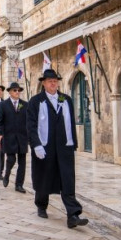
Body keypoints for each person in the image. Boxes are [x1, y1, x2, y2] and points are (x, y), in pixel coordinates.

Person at [27, 69, 88, 228]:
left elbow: (71, 123)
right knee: (44, 176)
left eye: (55, 81)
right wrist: (36, 145)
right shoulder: (36, 101)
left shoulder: (66, 99)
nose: (53, 83)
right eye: (50, 81)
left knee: (67, 179)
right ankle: (41, 205)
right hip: (44, 146)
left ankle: (73, 214)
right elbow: (31, 126)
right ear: (44, 83)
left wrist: (73, 144)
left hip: (64, 147)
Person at [0, 82, 28, 193]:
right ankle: (7, 174)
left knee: (22, 163)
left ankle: (19, 185)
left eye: (19, 90)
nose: (17, 92)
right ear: (10, 92)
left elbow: (29, 121)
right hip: (9, 137)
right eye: (15, 90)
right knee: (11, 159)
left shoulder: (25, 104)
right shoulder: (3, 105)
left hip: (22, 137)